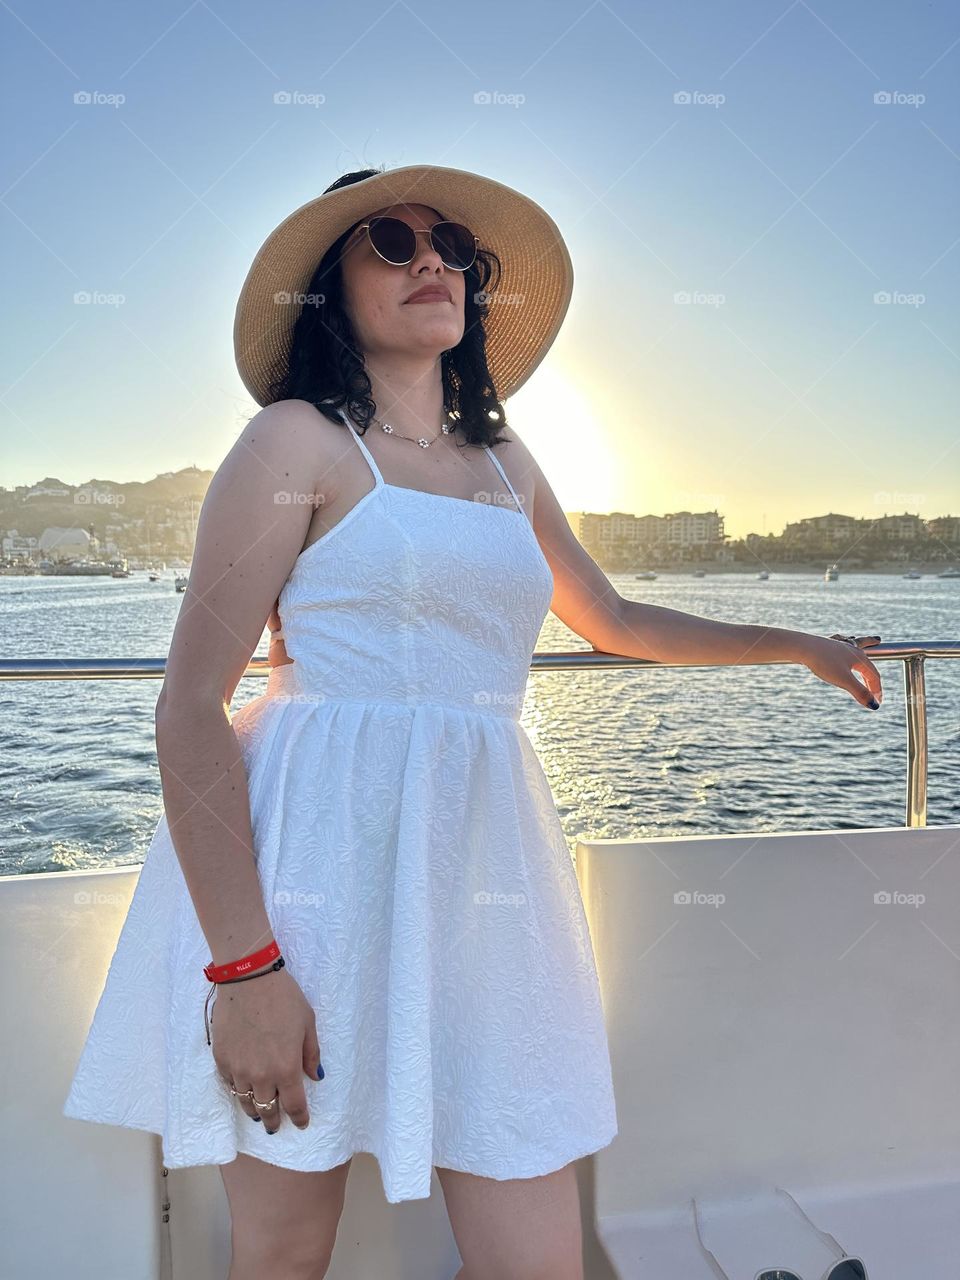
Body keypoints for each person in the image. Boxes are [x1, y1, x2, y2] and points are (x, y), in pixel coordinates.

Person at [63, 164, 883, 1280]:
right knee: (285, 1248)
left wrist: (794, 642)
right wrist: (244, 967)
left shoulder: (508, 464)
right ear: (328, 292)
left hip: (486, 876)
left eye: (450, 241)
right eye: (391, 242)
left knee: (537, 1253)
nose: (433, 258)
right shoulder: (292, 442)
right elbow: (190, 704)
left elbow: (614, 615)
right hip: (312, 870)